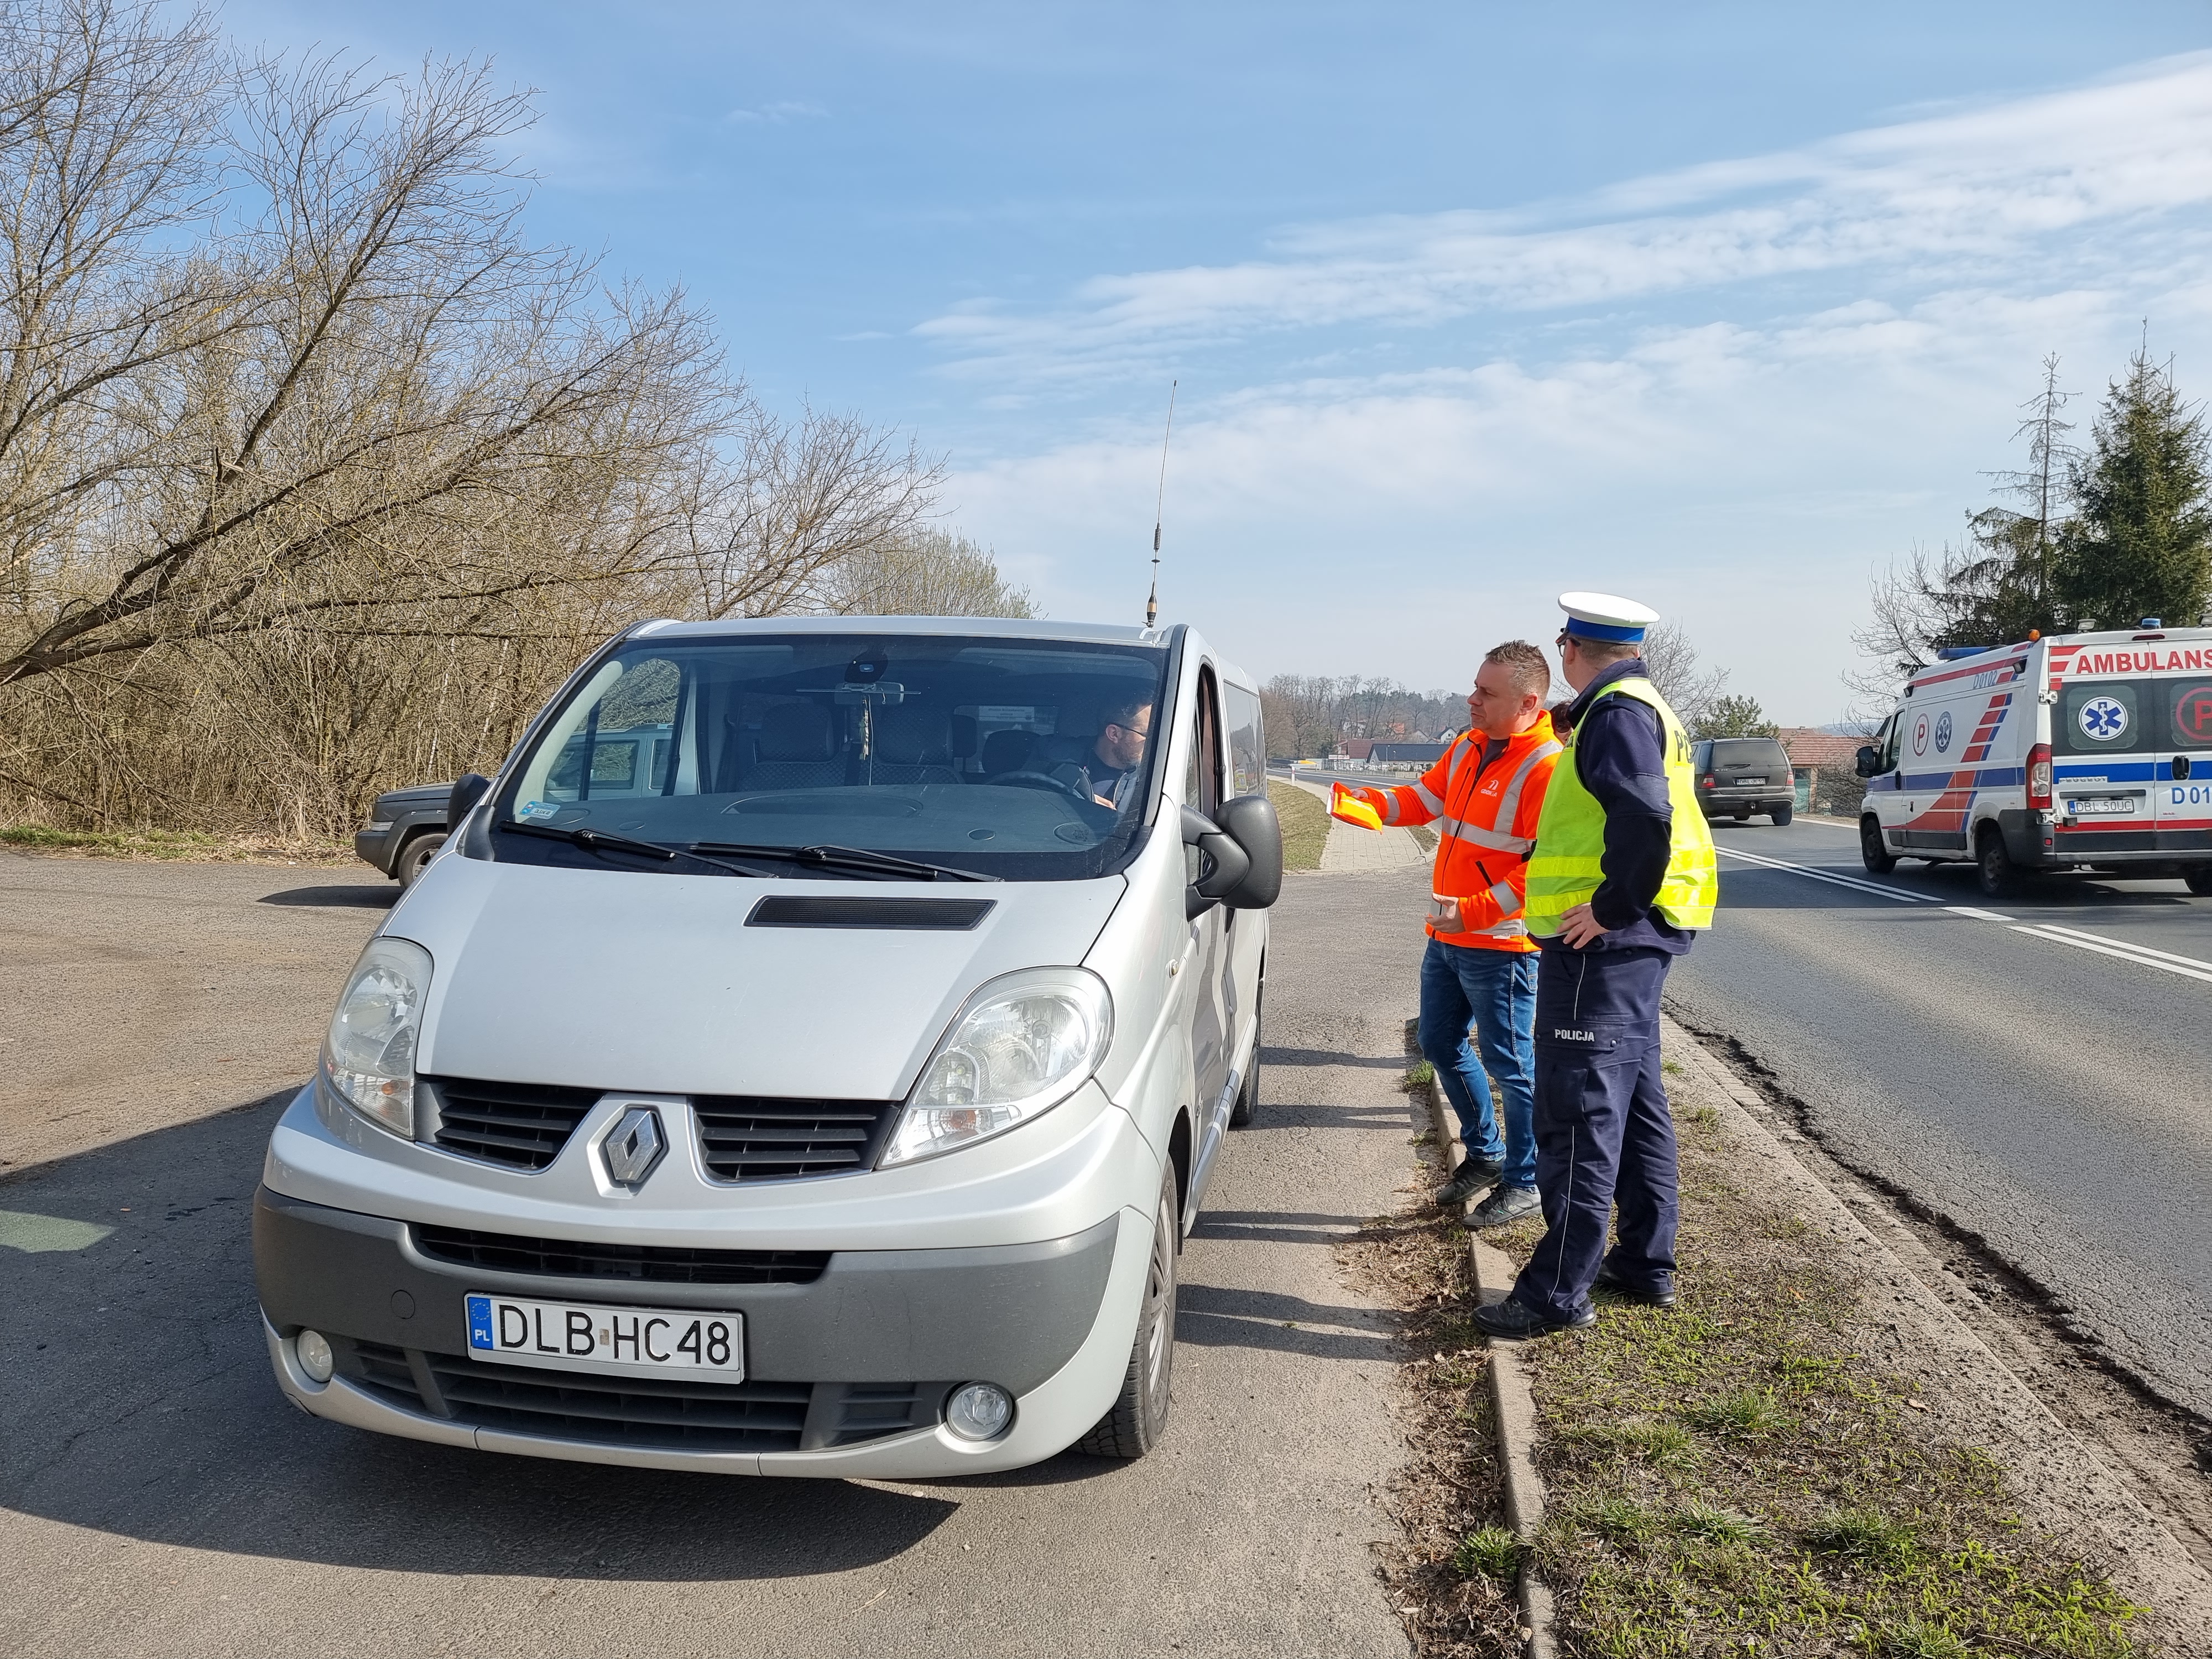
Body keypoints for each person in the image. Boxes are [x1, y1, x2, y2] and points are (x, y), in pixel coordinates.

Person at [1472, 593, 1718, 1341]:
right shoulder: (1640, 708)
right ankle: (1643, 1262)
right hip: (1638, 942)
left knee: (1578, 1115)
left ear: (1569, 648)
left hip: (1600, 950)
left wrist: (1613, 907)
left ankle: (1556, 1293)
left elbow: (1644, 818)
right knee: (1637, 1105)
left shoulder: (1616, 715)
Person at [1342, 642, 1561, 1226]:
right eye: (1475, 686)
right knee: (1438, 1041)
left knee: (1512, 1067)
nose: (1472, 699)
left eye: (1487, 692)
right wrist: (1372, 804)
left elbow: (1543, 869)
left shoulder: (1547, 767)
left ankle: (1526, 1181)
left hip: (1503, 944)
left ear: (1528, 703)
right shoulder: (1467, 744)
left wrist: (1476, 912)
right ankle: (1486, 1154)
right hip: (1448, 932)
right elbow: (1425, 799)